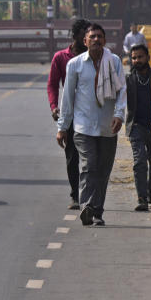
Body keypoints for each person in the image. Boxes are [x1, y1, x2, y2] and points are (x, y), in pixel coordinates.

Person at [57, 23, 126, 227]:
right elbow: (68, 97)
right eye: (92, 36)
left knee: (103, 171)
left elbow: (122, 91)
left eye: (100, 36)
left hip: (108, 127)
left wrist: (119, 115)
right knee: (89, 166)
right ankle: (86, 206)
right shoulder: (75, 64)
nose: (96, 39)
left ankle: (98, 211)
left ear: (105, 40)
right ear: (85, 41)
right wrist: (62, 127)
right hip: (83, 127)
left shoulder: (114, 62)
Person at [47, 18, 91, 210]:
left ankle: (90, 194)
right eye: (84, 35)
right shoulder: (61, 57)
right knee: (72, 156)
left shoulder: (95, 56)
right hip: (70, 112)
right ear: (75, 36)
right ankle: (75, 194)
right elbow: (52, 84)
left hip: (91, 112)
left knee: (91, 157)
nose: (87, 39)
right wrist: (54, 106)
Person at [125, 43, 151, 211]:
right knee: (139, 161)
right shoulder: (128, 80)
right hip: (136, 126)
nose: (137, 60)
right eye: (134, 58)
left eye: (140, 57)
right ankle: (142, 198)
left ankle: (150, 190)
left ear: (148, 57)